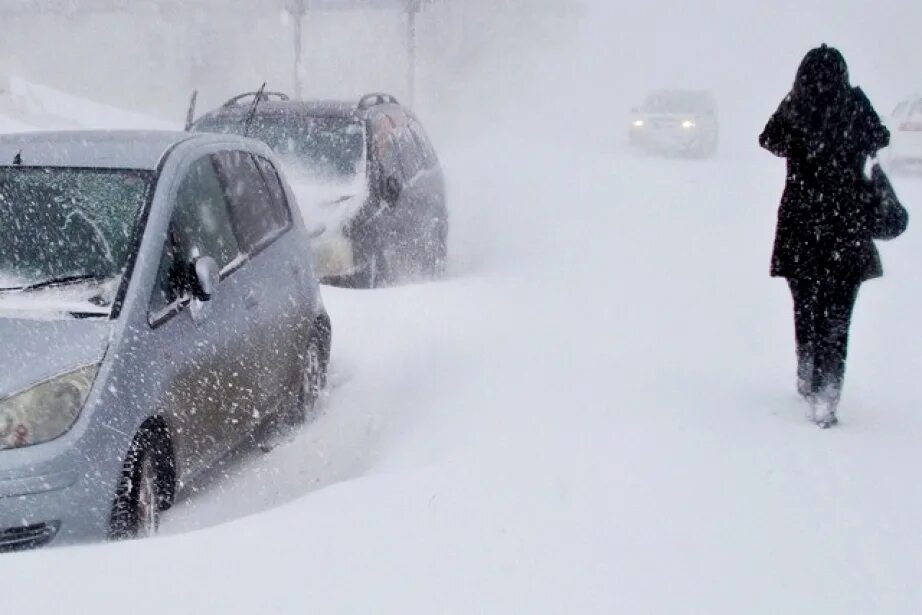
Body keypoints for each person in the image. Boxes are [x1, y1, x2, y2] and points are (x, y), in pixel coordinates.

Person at [759, 44, 890, 428]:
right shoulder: (852, 107)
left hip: (802, 227)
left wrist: (792, 101)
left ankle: (806, 371)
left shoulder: (797, 108)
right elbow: (879, 137)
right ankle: (827, 394)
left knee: (806, 307)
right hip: (845, 230)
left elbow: (768, 139)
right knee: (837, 318)